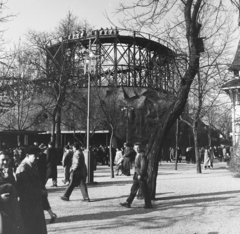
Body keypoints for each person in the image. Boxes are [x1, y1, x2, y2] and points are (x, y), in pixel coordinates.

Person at [16, 146, 47, 234]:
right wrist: (41, 192)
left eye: (39, 156)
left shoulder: (32, 166)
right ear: (27, 155)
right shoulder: (23, 168)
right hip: (28, 206)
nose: (37, 158)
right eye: (35, 156)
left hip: (35, 204)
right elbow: (25, 190)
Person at [120, 142, 152, 209]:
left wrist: (140, 174)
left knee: (144, 190)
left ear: (140, 148)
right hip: (136, 175)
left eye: (138, 148)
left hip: (140, 175)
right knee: (133, 189)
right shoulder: (136, 154)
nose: (137, 149)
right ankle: (128, 202)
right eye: (135, 148)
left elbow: (143, 166)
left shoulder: (142, 155)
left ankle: (148, 204)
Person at [0, 151, 24, 234]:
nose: (5, 162)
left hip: (11, 208)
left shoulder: (9, 172)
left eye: (7, 160)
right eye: (3, 160)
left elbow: (14, 186)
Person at [38, 143, 57, 224]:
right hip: (41, 179)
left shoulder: (39, 158)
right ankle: (51, 214)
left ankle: (51, 215)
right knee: (43, 198)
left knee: (41, 198)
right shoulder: (43, 157)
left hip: (39, 180)